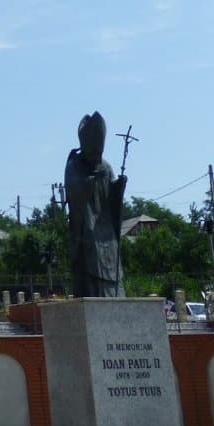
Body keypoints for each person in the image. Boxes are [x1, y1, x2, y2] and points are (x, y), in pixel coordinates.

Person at [65, 111, 127, 297]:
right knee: (90, 249)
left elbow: (112, 193)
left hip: (105, 224)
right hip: (87, 224)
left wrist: (119, 186)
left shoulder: (106, 167)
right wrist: (90, 182)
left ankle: (116, 295)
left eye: (99, 152)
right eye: (93, 152)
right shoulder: (74, 164)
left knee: (112, 251)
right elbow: (74, 191)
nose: (96, 156)